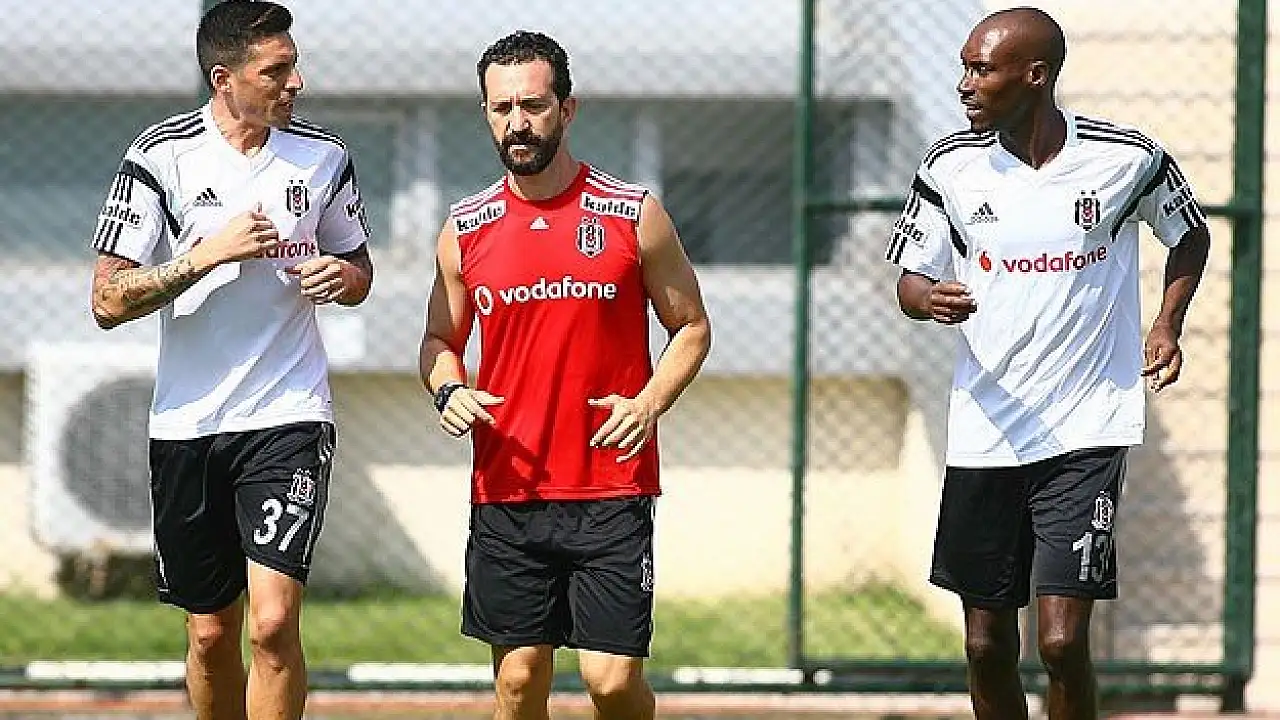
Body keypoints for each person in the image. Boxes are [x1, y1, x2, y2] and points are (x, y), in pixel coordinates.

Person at [885, 7, 1210, 720]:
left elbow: (1190, 234)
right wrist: (927, 298)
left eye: (981, 69)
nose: (964, 84)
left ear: (1034, 75)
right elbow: (910, 277)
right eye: (964, 68)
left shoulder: (1127, 158)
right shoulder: (949, 165)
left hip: (1087, 428)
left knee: (1062, 643)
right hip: (986, 430)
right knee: (985, 646)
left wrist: (1167, 322)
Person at [88, 1, 374, 718]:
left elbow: (359, 268)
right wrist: (206, 255)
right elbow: (107, 300)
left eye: (293, 65)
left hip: (289, 413)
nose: (295, 82)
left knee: (272, 624)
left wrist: (342, 277)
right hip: (187, 424)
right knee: (211, 633)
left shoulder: (324, 156)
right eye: (275, 71)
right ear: (224, 80)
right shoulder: (160, 155)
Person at [418, 30, 711, 720]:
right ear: (486, 114)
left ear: (567, 109)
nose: (517, 123)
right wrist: (448, 388)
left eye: (533, 105)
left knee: (610, 683)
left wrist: (649, 403)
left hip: (610, 485)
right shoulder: (465, 227)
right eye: (501, 108)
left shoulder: (632, 213)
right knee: (519, 683)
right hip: (508, 486)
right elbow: (438, 340)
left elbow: (692, 327)